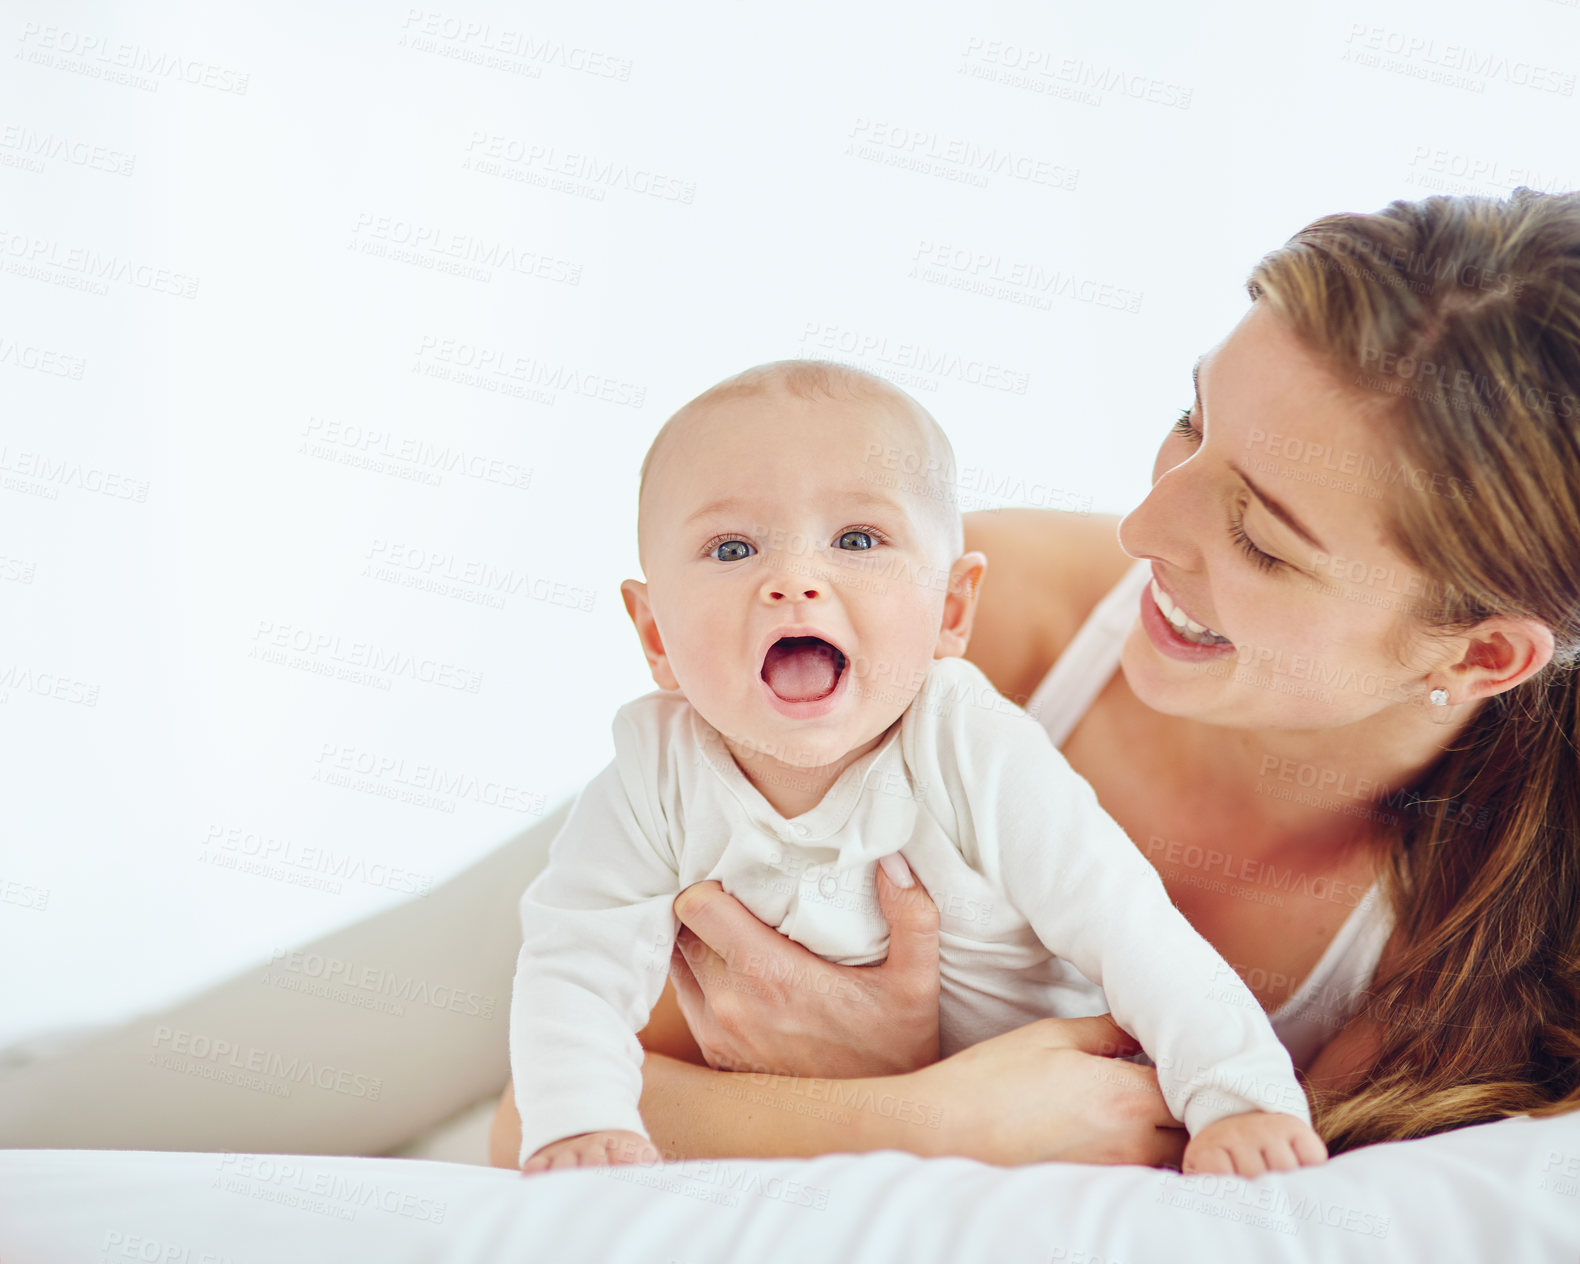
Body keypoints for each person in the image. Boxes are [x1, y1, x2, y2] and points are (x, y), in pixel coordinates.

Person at [490, 188, 1580, 1171]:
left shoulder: (1469, 950)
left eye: (1258, 538)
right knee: (348, 1048)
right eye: (1189, 421)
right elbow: (527, 1112)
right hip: (627, 872)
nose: (1142, 528)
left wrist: (898, 1071)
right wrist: (922, 1113)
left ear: (1479, 653)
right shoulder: (965, 620)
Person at [508, 361, 1325, 1178]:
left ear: (952, 611)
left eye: (857, 540)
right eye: (732, 548)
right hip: (822, 1140)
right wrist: (580, 1123)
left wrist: (1240, 1095)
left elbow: (1130, 928)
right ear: (655, 635)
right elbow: (575, 960)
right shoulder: (654, 775)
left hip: (1048, 1115)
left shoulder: (966, 743)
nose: (793, 581)